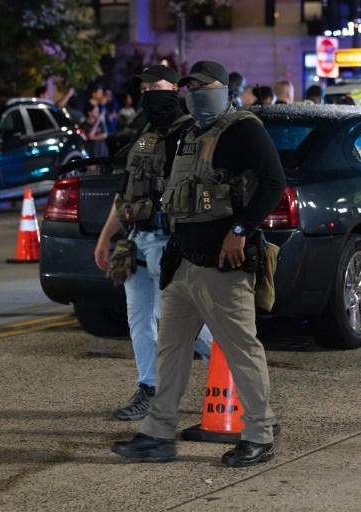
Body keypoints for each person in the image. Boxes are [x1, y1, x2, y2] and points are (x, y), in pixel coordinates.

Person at [111, 60, 285, 467]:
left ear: (222, 89)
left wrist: (240, 229)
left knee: (241, 348)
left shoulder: (243, 130)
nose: (194, 92)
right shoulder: (186, 134)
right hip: (183, 262)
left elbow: (274, 183)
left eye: (202, 85)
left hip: (224, 264)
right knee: (170, 351)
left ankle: (259, 435)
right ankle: (158, 434)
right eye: (189, 86)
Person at [94, 64, 213, 421]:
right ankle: (148, 387)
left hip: (168, 242)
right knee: (139, 320)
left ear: (175, 88)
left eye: (156, 86)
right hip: (135, 239)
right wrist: (105, 239)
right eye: (144, 88)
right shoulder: (144, 134)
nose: (148, 93)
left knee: (184, 324)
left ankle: (235, 381)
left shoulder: (189, 132)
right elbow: (126, 193)